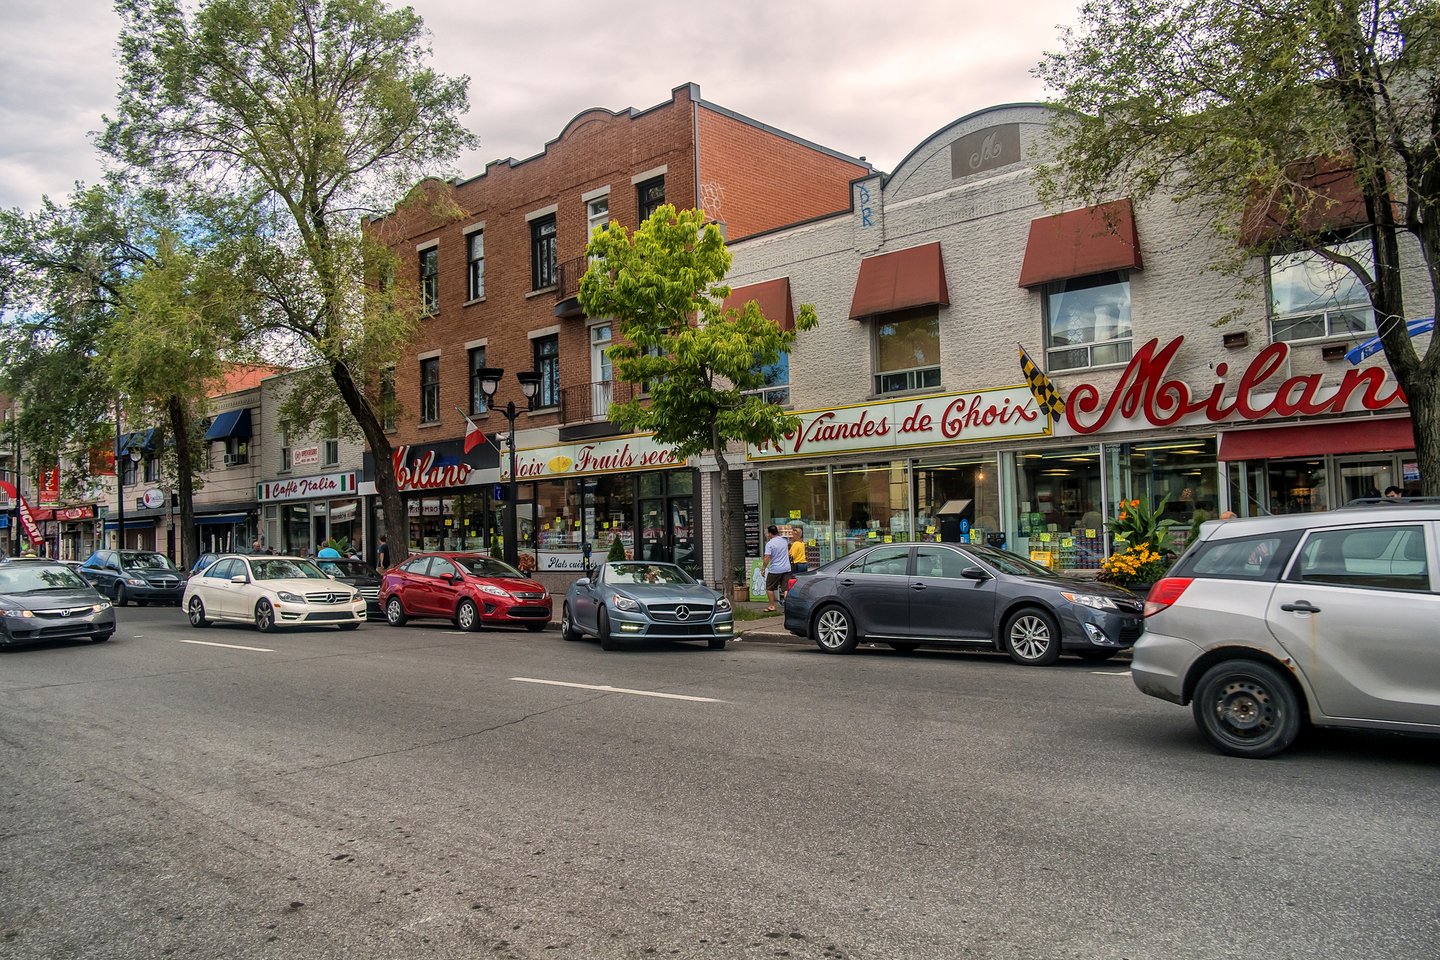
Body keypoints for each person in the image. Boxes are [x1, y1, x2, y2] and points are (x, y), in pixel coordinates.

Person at [762, 524, 791, 613]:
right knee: (785, 588)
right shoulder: (784, 541)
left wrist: (763, 568)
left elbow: (767, 557)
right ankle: (787, 607)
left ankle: (772, 606)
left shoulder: (770, 544)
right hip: (786, 568)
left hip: (775, 569)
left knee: (769, 587)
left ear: (770, 533)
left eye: (768, 533)